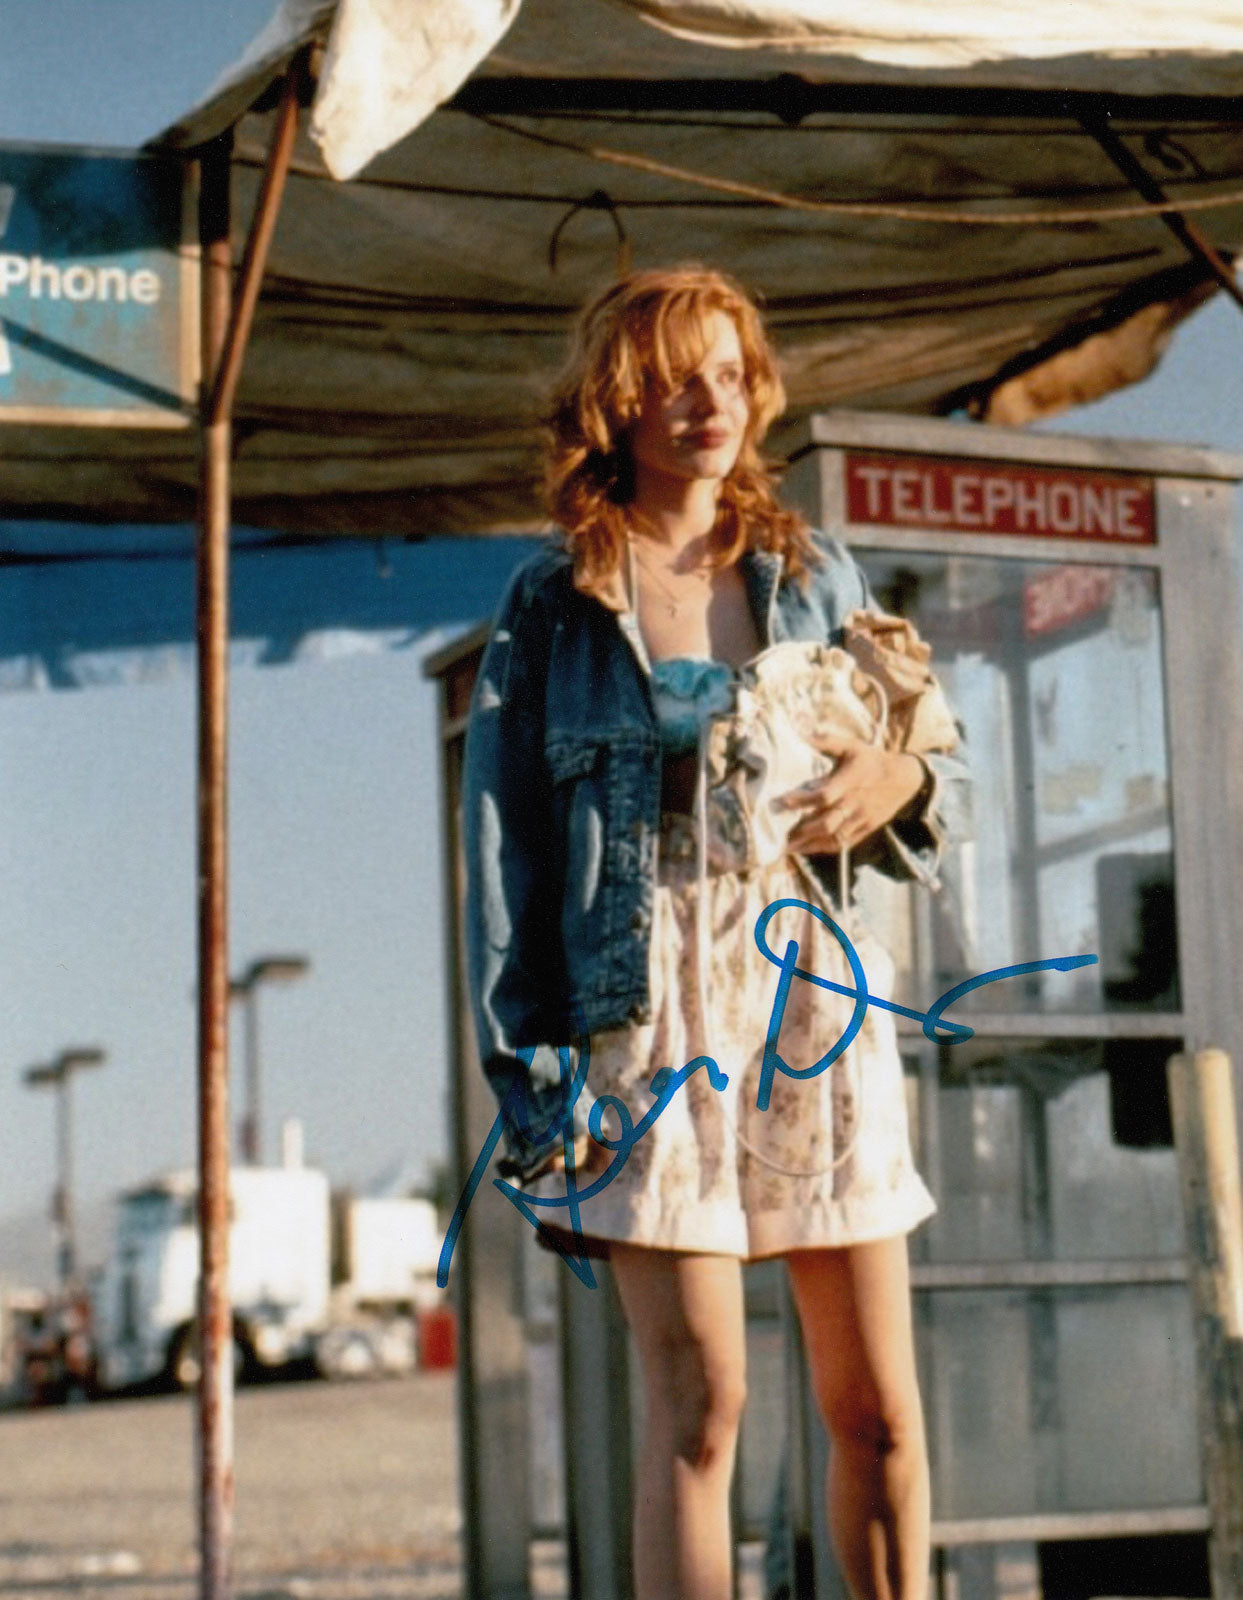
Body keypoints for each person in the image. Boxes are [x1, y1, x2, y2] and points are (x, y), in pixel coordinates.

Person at [462, 264, 970, 1600]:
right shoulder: (556, 602)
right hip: (645, 1010)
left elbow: (938, 760)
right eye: (679, 379)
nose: (712, 403)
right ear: (619, 402)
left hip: (812, 992)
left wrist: (898, 777)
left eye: (732, 375)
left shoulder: (814, 572)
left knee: (879, 1411)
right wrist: (533, 1077)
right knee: (700, 1407)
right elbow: (506, 853)